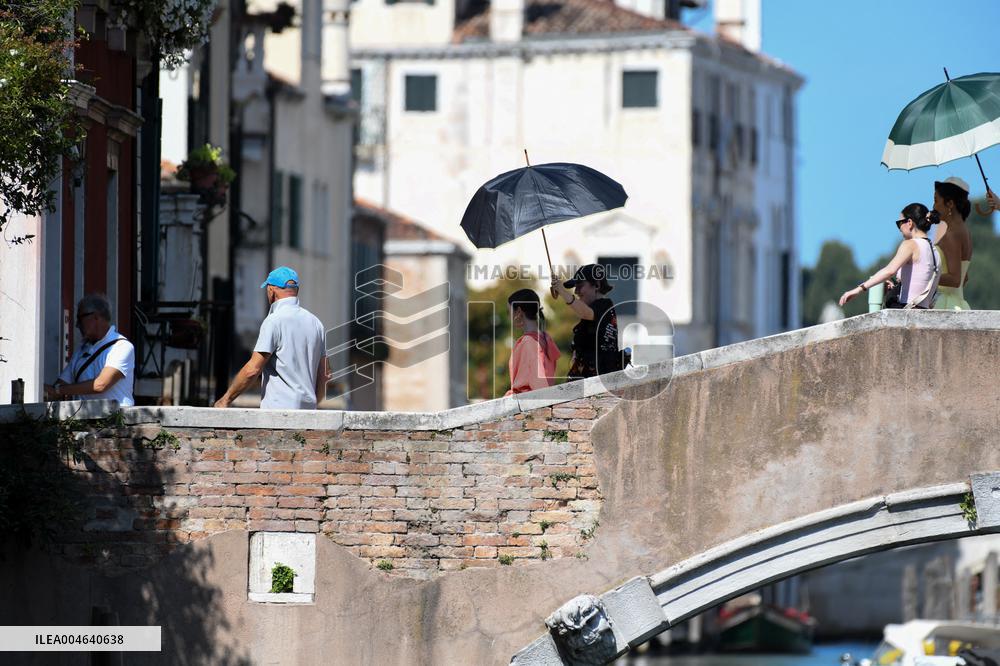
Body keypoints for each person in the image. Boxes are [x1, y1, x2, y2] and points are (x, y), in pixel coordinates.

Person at [215, 266, 328, 409]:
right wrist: (312, 405)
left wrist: (225, 400)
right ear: (296, 290)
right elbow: (324, 375)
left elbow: (253, 370)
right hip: (308, 413)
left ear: (271, 289)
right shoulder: (316, 323)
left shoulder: (274, 321)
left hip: (278, 413)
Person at [839, 203, 940, 309]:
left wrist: (859, 289)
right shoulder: (935, 252)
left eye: (899, 223)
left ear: (909, 223)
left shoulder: (910, 244)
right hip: (925, 312)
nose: (899, 228)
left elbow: (889, 270)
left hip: (907, 312)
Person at [44, 294, 135, 406]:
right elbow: (59, 386)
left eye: (80, 318)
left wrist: (58, 390)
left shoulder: (121, 346)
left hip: (114, 420)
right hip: (84, 420)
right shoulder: (81, 351)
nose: (77, 324)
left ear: (96, 316)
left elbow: (100, 385)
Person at [550, 264, 622, 378]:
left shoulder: (604, 306)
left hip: (598, 384)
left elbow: (585, 312)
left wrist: (562, 291)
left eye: (580, 285)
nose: (576, 291)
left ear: (597, 285)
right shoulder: (594, 312)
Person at [504, 289, 560, 395]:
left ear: (519, 311)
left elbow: (539, 384)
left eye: (509, 312)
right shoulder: (546, 338)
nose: (508, 317)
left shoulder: (528, 342)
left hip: (531, 404)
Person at [932, 177, 973, 310]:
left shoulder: (952, 235)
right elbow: (964, 277)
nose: (934, 206)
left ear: (950, 204)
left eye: (936, 201)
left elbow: (955, 279)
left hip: (946, 306)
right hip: (957, 302)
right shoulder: (964, 231)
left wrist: (927, 277)